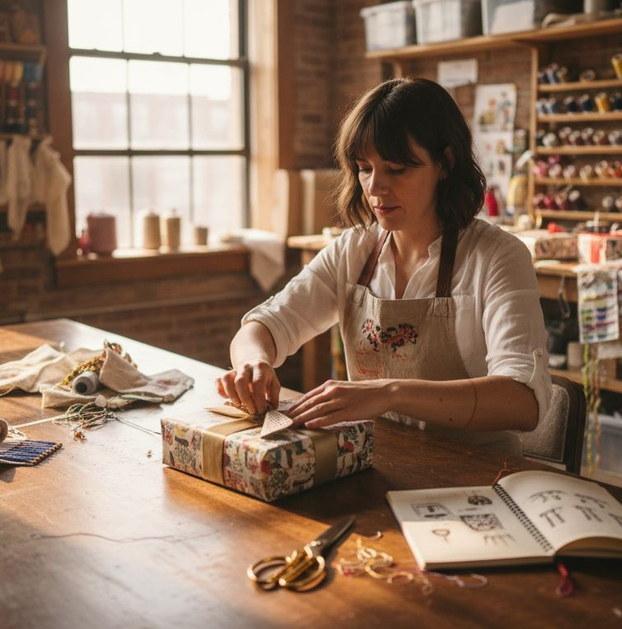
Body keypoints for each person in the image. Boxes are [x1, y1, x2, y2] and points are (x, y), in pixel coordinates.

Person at [216, 77, 550, 451]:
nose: (374, 188)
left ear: (445, 163)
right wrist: (254, 363)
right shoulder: (353, 251)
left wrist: (391, 393)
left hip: (475, 474)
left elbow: (524, 402)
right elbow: (262, 326)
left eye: (396, 168)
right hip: (380, 461)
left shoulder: (497, 257)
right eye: (364, 168)